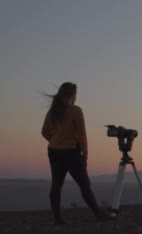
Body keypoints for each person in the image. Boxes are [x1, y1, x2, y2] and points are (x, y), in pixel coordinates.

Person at [41, 82, 111, 224]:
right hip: (70, 152)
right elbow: (82, 134)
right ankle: (98, 214)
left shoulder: (52, 112)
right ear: (72, 95)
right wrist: (85, 155)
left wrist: (55, 140)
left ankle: (57, 219)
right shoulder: (75, 110)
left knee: (56, 185)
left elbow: (44, 132)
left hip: (54, 151)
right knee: (84, 184)